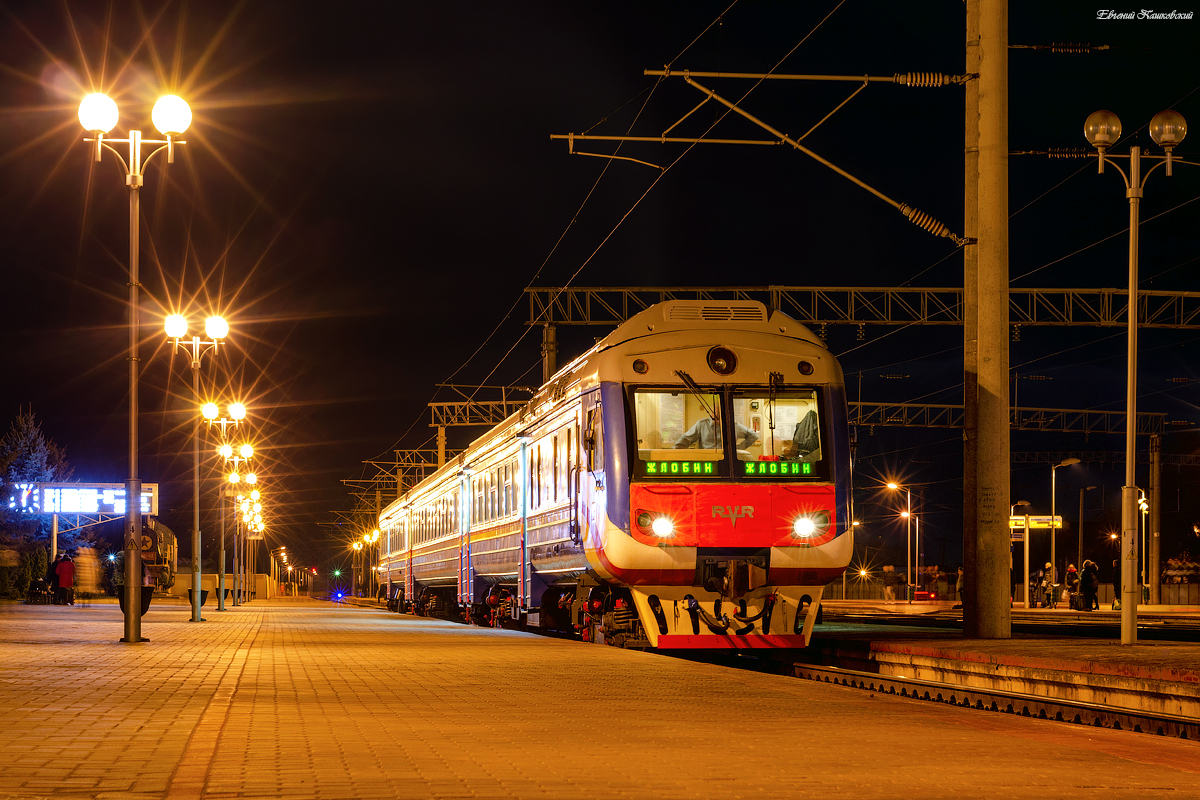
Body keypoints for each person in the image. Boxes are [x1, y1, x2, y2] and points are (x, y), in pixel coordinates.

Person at [674, 417, 758, 450]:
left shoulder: (733, 425)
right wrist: (675, 451)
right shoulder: (702, 424)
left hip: (727, 461)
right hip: (707, 461)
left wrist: (739, 448)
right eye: (715, 412)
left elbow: (753, 435)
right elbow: (686, 439)